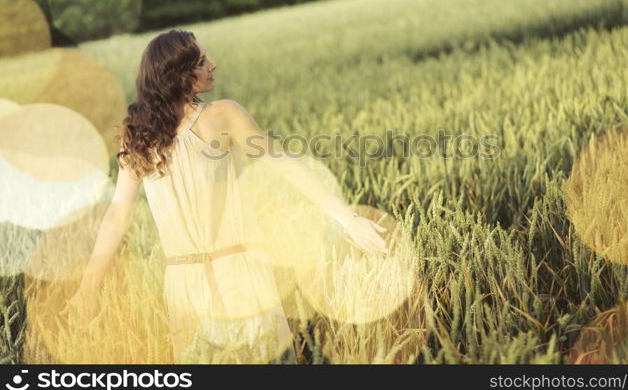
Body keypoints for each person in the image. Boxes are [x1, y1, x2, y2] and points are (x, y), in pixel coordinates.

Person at [61, 29, 388, 364]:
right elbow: (118, 214)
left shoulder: (223, 114)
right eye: (202, 62)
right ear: (177, 75)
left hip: (240, 275)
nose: (213, 65)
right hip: (184, 289)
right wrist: (88, 289)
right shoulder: (138, 134)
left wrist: (348, 220)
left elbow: (283, 164)